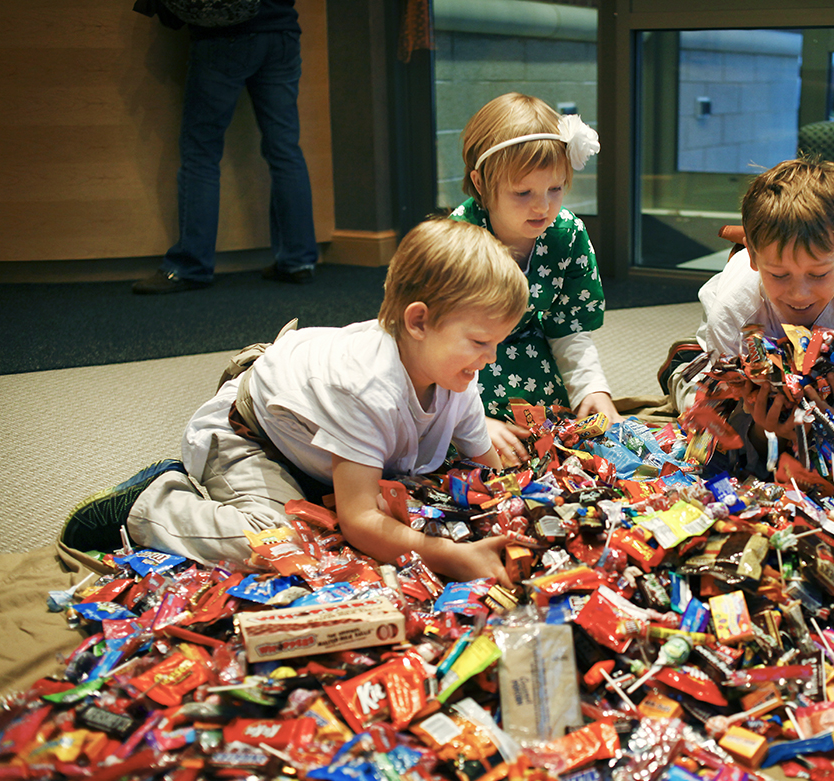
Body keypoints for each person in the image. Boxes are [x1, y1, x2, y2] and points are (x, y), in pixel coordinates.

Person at [68, 220, 528, 584]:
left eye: (497, 344)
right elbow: (360, 520)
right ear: (419, 322)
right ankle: (149, 503)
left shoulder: (458, 377)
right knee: (285, 546)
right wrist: (448, 556)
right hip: (247, 436)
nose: (489, 359)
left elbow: (490, 474)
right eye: (479, 342)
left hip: (306, 435)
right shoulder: (368, 388)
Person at [668, 158, 834, 465]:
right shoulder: (733, 310)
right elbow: (722, 409)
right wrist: (761, 433)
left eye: (817, 275)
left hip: (829, 392)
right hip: (730, 371)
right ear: (752, 257)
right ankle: (679, 365)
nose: (798, 294)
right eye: (779, 275)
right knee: (698, 414)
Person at [450, 93, 620, 467]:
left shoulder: (567, 234)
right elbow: (435, 350)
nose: (542, 206)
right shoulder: (459, 241)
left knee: (562, 447)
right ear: (480, 183)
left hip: (532, 362)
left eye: (555, 189)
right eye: (523, 192)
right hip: (460, 372)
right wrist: (470, 423)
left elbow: (569, 328)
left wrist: (592, 388)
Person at [132, 0, 320, 294]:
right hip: (282, 32)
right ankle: (298, 261)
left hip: (224, 35)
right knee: (284, 148)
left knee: (201, 153)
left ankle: (191, 265)